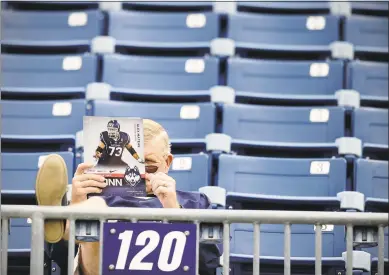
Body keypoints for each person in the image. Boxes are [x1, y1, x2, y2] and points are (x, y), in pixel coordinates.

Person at [35, 119, 221, 275]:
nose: (138, 174)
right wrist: (77, 200)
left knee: (93, 210)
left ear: (167, 162)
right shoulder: (96, 195)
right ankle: (71, 222)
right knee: (95, 208)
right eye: (130, 165)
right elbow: (60, 263)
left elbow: (208, 267)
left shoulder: (197, 203)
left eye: (148, 165)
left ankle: (66, 219)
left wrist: (175, 213)